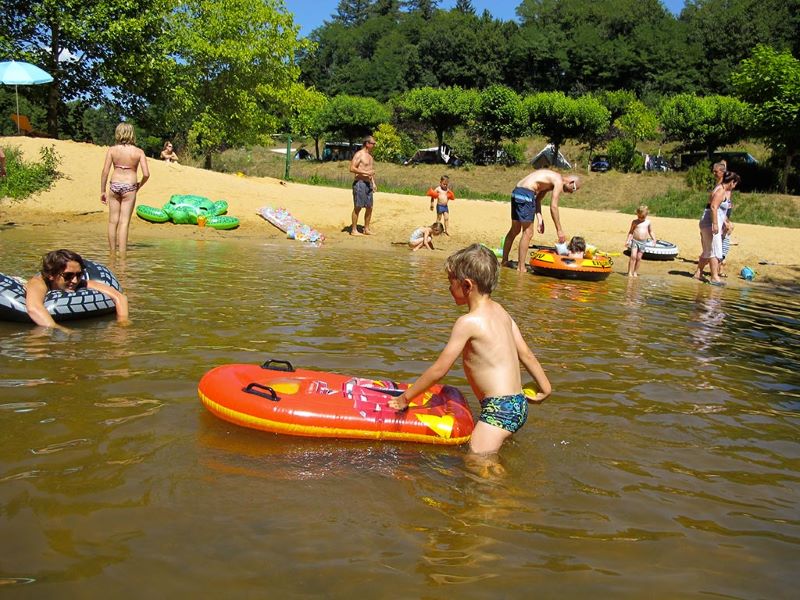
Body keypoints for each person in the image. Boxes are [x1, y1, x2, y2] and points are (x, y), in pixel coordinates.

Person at [388, 244, 552, 456]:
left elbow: (439, 370)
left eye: (451, 282)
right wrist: (545, 387)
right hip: (518, 403)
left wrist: (404, 399)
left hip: (498, 410)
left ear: (466, 285)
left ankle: (509, 490)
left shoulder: (468, 322)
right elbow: (526, 354)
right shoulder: (501, 311)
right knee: (492, 456)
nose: (448, 288)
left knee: (477, 462)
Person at [25, 249, 129, 330]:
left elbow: (120, 297)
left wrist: (122, 323)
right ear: (51, 275)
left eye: (79, 275)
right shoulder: (38, 283)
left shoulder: (81, 282)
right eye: (68, 275)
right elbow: (34, 308)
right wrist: (59, 329)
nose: (74, 281)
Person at [501, 169, 581, 273]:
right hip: (526, 194)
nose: (571, 192)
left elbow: (537, 200)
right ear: (571, 182)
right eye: (574, 189)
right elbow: (553, 206)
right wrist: (559, 230)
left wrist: (540, 219)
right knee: (528, 233)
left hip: (517, 192)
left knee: (515, 230)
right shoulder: (558, 181)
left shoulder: (549, 182)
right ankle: (521, 268)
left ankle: (504, 261)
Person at [100, 123, 150, 255]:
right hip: (130, 186)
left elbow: (105, 171)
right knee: (124, 222)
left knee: (112, 221)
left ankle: (112, 253)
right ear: (132, 134)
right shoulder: (139, 152)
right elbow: (146, 174)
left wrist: (102, 190)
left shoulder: (112, 150)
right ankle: (122, 256)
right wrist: (139, 184)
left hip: (114, 184)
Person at [693, 171, 740, 285]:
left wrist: (724, 221)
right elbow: (713, 207)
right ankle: (714, 277)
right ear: (731, 182)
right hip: (710, 224)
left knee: (708, 250)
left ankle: (698, 274)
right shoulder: (721, 191)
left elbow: (718, 209)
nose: (734, 187)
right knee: (715, 250)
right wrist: (715, 224)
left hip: (709, 223)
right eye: (735, 184)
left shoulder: (720, 189)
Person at [349, 135, 377, 235]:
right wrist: (364, 173)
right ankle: (354, 230)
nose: (374, 145)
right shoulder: (359, 154)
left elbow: (370, 171)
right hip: (359, 183)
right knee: (358, 207)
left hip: (368, 184)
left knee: (370, 207)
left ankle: (366, 229)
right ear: (367, 144)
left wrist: (373, 183)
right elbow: (352, 168)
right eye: (373, 143)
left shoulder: (370, 157)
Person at [625, 205, 656, 277]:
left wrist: (654, 239)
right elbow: (631, 232)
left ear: (646, 215)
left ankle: (635, 272)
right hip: (635, 241)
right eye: (639, 216)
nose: (641, 218)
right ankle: (630, 272)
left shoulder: (648, 222)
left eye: (643, 217)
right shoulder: (635, 222)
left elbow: (650, 231)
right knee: (633, 256)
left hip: (643, 243)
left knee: (638, 258)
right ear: (637, 214)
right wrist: (627, 241)